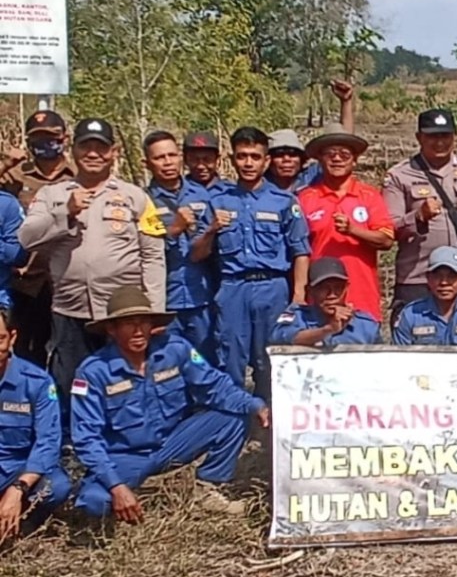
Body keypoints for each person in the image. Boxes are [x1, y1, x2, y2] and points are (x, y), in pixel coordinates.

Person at [71, 286, 269, 523]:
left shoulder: (174, 349)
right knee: (94, 502)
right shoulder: (93, 372)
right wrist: (116, 486)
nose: (137, 331)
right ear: (111, 330)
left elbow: (215, 387)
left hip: (173, 443)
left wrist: (257, 405)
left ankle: (207, 489)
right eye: (128, 324)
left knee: (235, 415)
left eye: (143, 322)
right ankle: (126, 497)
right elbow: (86, 438)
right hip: (124, 455)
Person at [18, 118, 167, 425]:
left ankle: (124, 440)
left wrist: (154, 310)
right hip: (70, 310)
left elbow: (153, 257)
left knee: (122, 379)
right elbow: (27, 237)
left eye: (101, 147)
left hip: (121, 312)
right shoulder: (52, 195)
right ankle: (75, 444)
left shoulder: (135, 196)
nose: (94, 154)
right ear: (73, 150)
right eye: (86, 146)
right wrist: (66, 212)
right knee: (71, 381)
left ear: (113, 153)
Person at [192, 127, 310, 403]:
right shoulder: (218, 201)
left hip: (273, 288)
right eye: (242, 156)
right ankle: (234, 422)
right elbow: (196, 254)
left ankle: (271, 423)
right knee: (230, 357)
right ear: (232, 159)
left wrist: (299, 294)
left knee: (270, 358)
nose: (248, 163)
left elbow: (300, 250)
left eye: (255, 157)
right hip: (233, 288)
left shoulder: (284, 202)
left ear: (265, 161)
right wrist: (211, 229)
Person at [383, 109, 457, 325]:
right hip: (418, 278)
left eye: (445, 136)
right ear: (419, 137)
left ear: (454, 137)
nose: (440, 142)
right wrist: (418, 216)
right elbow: (388, 229)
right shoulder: (399, 175)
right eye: (432, 136)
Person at [1, 110, 77, 367]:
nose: (44, 143)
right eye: (37, 138)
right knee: (24, 351)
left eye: (51, 137)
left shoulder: (78, 174)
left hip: (68, 278)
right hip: (26, 281)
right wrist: (5, 164)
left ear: (64, 138)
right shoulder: (16, 175)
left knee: (66, 352)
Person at [297, 123, 393, 322]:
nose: (337, 159)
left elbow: (386, 241)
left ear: (355, 160)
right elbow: (299, 251)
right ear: (320, 159)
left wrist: (353, 230)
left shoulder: (369, 196)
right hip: (320, 302)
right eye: (330, 154)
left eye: (344, 154)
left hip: (362, 301)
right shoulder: (305, 198)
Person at [0, 308, 71, 541]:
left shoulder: (37, 383)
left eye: (0, 339)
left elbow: (48, 441)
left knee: (55, 486)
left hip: (24, 469)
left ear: (12, 337)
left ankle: (25, 525)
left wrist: (19, 488)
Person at [143, 131, 216, 358]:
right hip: (165, 301)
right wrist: (174, 229)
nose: (167, 162)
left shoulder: (204, 195)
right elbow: (142, 252)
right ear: (146, 163)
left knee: (207, 362)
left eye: (172, 155)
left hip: (202, 296)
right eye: (159, 157)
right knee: (167, 364)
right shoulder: (141, 201)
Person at [271, 257, 381, 346]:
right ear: (310, 291)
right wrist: (328, 330)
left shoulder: (366, 326)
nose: (332, 295)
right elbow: (279, 337)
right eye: (323, 288)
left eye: (338, 288)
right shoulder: (296, 315)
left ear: (346, 288)